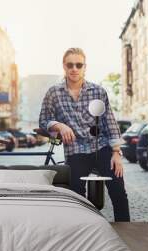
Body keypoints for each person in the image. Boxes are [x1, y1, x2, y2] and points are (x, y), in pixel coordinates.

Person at [39, 48, 130, 222]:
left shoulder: (98, 91)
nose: (74, 68)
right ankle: (82, 232)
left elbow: (109, 122)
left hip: (101, 146)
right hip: (75, 150)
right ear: (64, 67)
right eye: (70, 65)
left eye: (78, 65)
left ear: (84, 67)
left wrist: (116, 153)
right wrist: (59, 125)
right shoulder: (54, 93)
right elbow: (44, 120)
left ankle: (127, 232)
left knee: (118, 190)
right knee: (76, 195)